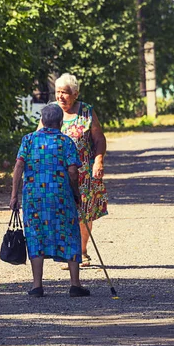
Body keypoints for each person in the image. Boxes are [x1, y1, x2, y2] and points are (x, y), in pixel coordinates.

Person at [10, 104, 91, 297]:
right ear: (60, 122)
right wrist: (76, 193)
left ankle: (37, 286)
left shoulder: (28, 140)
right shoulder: (66, 142)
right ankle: (74, 284)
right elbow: (72, 171)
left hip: (34, 198)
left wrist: (14, 195)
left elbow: (19, 166)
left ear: (43, 120)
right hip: (61, 197)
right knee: (70, 234)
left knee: (36, 236)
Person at [41, 73, 108, 268]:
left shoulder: (86, 111)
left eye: (65, 93)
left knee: (83, 214)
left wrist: (99, 161)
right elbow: (39, 137)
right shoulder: (51, 112)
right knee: (62, 213)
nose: (60, 97)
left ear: (75, 94)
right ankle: (69, 253)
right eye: (58, 92)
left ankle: (82, 251)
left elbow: (99, 139)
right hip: (57, 174)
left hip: (84, 173)